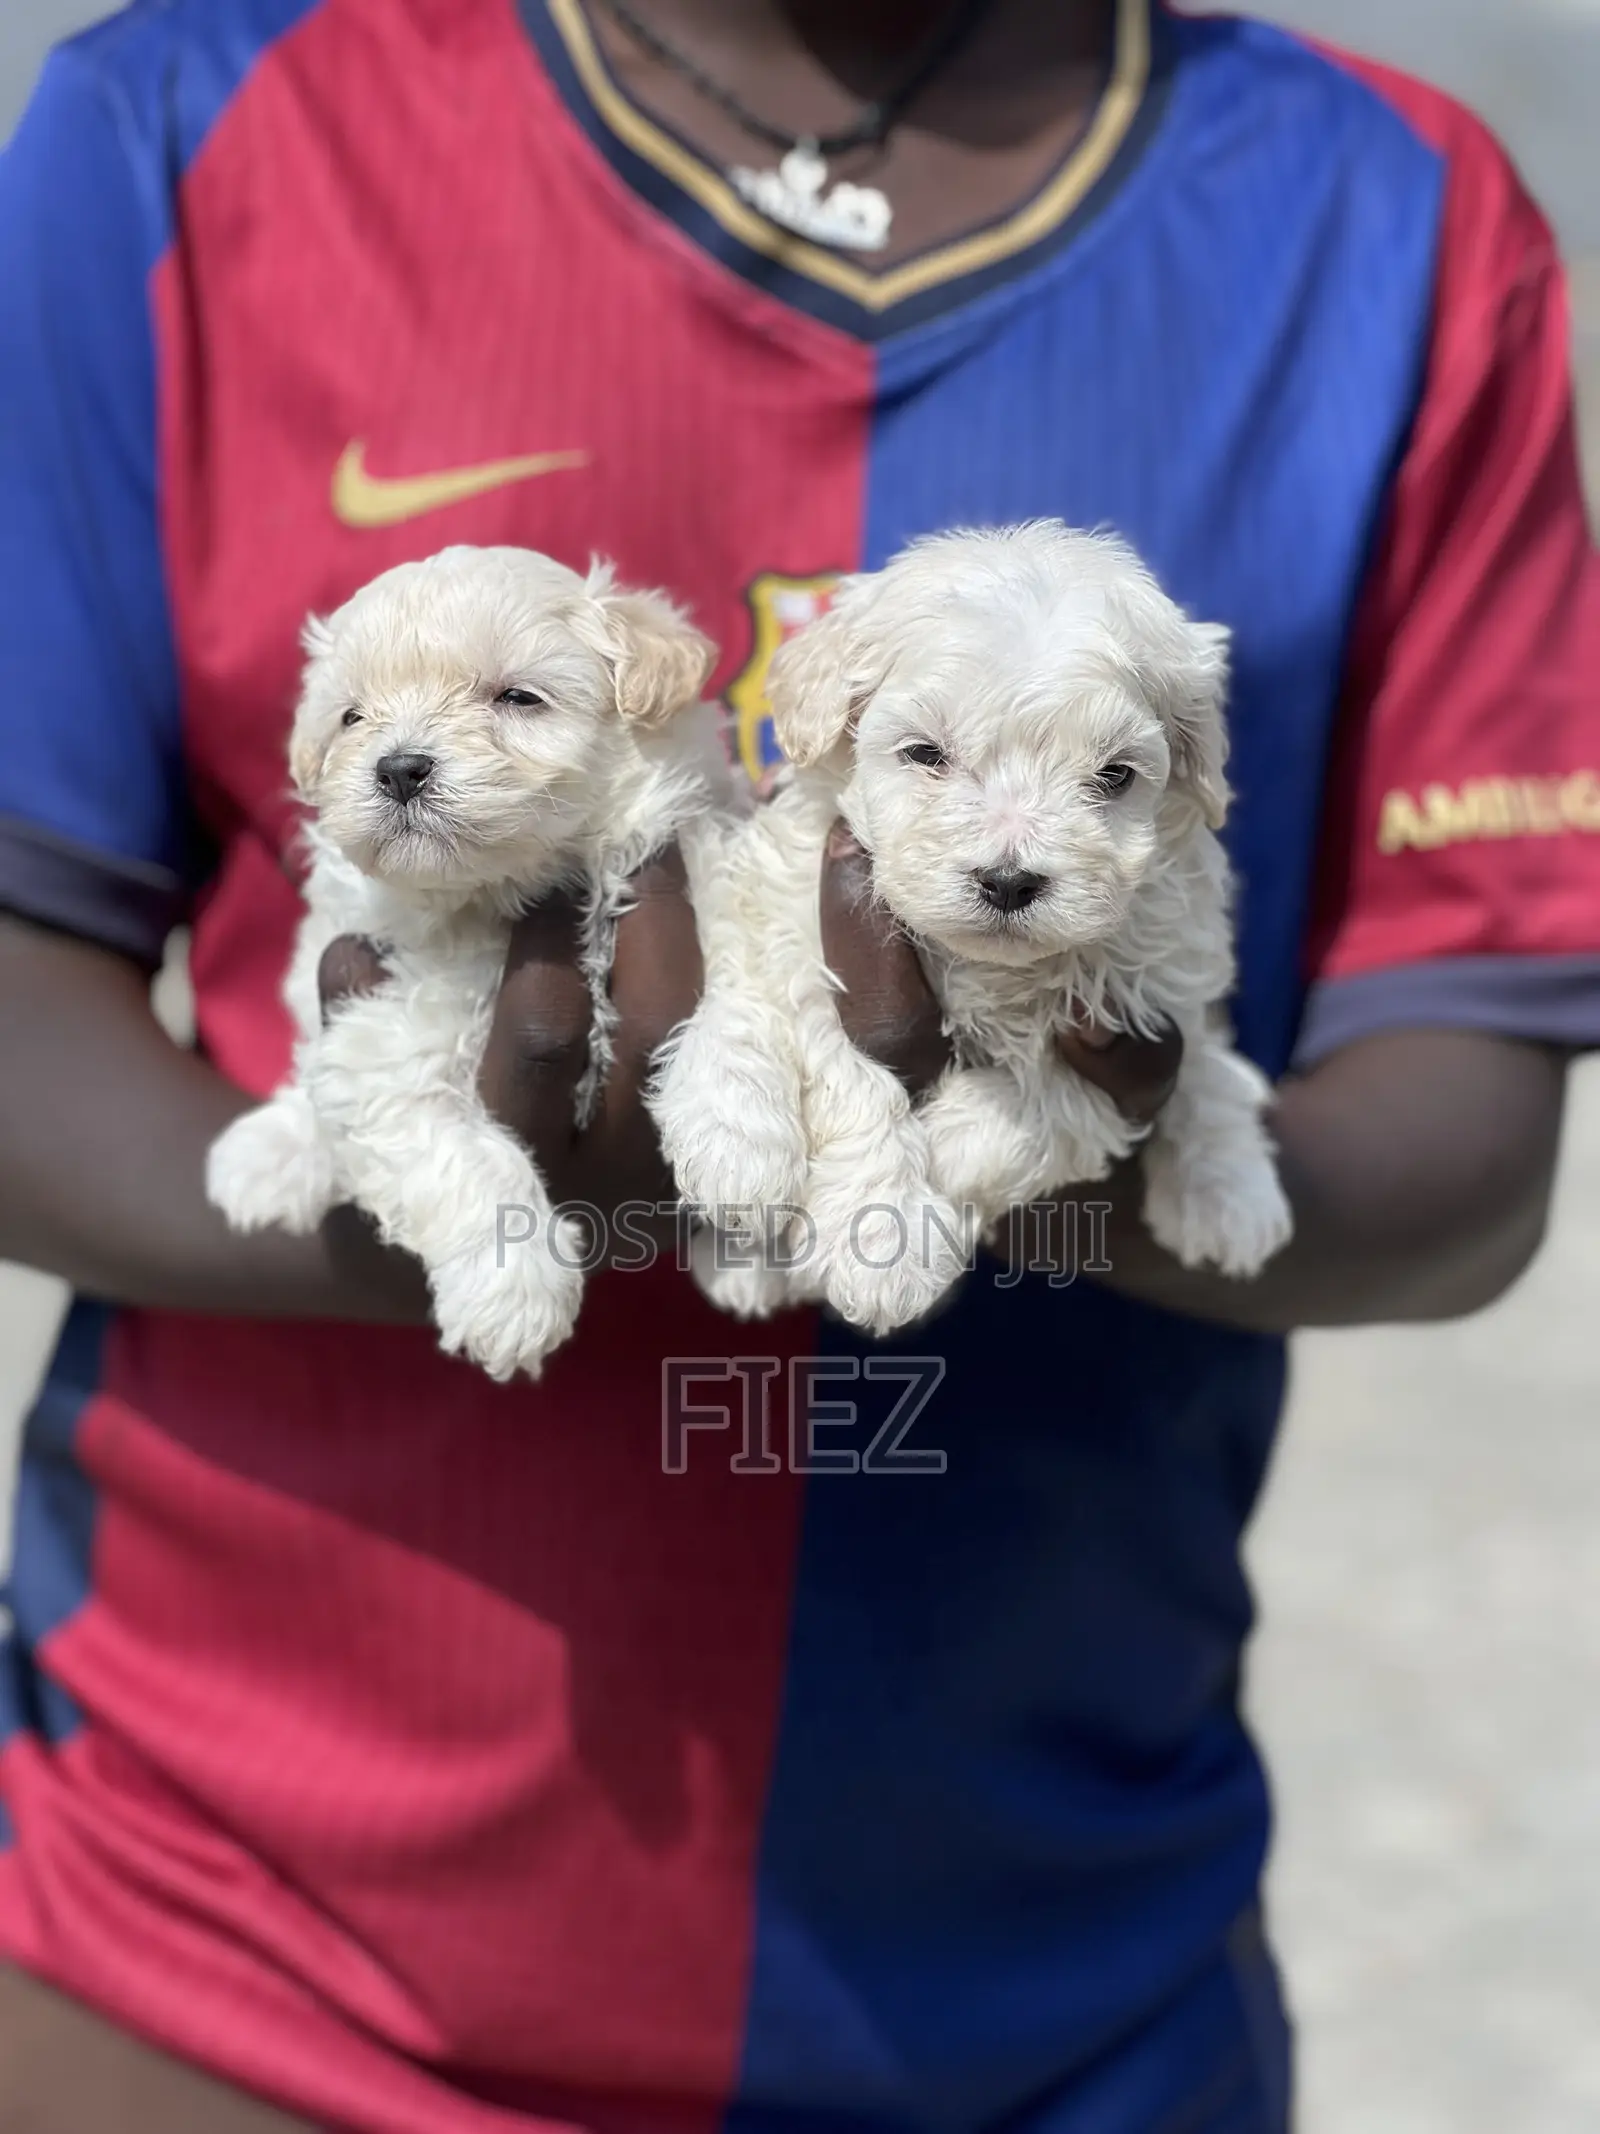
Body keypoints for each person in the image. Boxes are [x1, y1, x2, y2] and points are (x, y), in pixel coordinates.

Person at [0, 0, 1594, 2125]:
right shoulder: (190, 126)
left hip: (1059, 1975)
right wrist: (497, 1187)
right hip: (223, 1956)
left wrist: (1035, 1141)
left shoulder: (1383, 218)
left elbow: (1469, 1128)